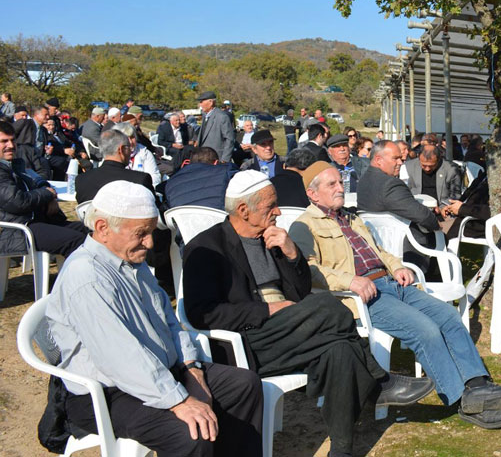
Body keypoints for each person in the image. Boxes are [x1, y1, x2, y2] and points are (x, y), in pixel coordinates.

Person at [184, 171, 432, 457]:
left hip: (293, 331)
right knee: (328, 305)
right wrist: (267, 309)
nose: (278, 212)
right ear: (243, 210)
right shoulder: (206, 248)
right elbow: (202, 314)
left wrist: (292, 254)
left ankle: (341, 451)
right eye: (270, 206)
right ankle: (378, 381)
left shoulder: (272, 238)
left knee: (340, 350)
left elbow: (301, 291)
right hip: (249, 343)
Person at [291, 166, 501, 429]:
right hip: (364, 295)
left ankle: (478, 385)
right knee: (425, 330)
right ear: (313, 194)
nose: (340, 188)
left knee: (448, 316)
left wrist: (397, 266)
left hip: (392, 283)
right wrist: (350, 280)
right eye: (331, 184)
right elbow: (308, 270)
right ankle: (461, 400)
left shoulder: (350, 217)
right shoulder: (304, 225)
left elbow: (379, 251)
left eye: (339, 182)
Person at [47, 181, 264, 456]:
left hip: (159, 371)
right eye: (141, 234)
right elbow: (121, 358)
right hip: (108, 392)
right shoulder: (87, 277)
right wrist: (179, 400)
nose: (149, 243)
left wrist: (191, 367)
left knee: (243, 385)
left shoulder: (129, 260)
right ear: (103, 228)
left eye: (150, 232)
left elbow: (169, 322)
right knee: (190, 433)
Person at [0, 120, 87, 259]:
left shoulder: (16, 165)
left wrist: (48, 195)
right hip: (18, 229)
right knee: (76, 240)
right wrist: (47, 194)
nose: (10, 145)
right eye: (4, 141)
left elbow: (39, 180)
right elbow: (18, 201)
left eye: (12, 140)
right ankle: (75, 273)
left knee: (91, 232)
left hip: (37, 220)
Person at [358, 141, 442, 275]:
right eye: (395, 158)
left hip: (377, 241)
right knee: (442, 235)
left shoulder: (363, 180)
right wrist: (437, 223)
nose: (400, 162)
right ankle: (436, 276)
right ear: (378, 160)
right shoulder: (390, 184)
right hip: (404, 247)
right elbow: (422, 216)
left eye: (400, 158)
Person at [75, 129, 155, 203]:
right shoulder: (140, 180)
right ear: (121, 150)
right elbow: (153, 208)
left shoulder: (81, 180)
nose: (131, 151)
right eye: (128, 147)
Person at [164, 147, 237, 210]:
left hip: (181, 220)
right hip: (217, 217)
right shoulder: (225, 171)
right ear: (216, 162)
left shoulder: (171, 181)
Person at [114, 122, 161, 187]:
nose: (130, 142)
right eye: (126, 138)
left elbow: (155, 176)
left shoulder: (145, 153)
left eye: (132, 137)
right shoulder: (112, 155)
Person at [195, 91, 234, 163]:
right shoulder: (205, 116)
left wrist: (225, 159)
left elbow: (229, 139)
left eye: (201, 102)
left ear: (210, 102)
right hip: (203, 158)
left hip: (216, 158)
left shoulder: (222, 117)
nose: (200, 104)